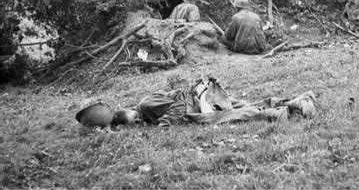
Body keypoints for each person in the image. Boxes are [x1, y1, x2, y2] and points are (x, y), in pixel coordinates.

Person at [110, 77, 318, 127]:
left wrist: (165, 122)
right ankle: (298, 101)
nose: (138, 123)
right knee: (241, 105)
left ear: (133, 111)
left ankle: (274, 114)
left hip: (197, 97)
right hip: (203, 91)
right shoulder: (145, 109)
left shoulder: (146, 105)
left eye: (135, 119)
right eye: (135, 123)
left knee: (215, 116)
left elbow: (179, 106)